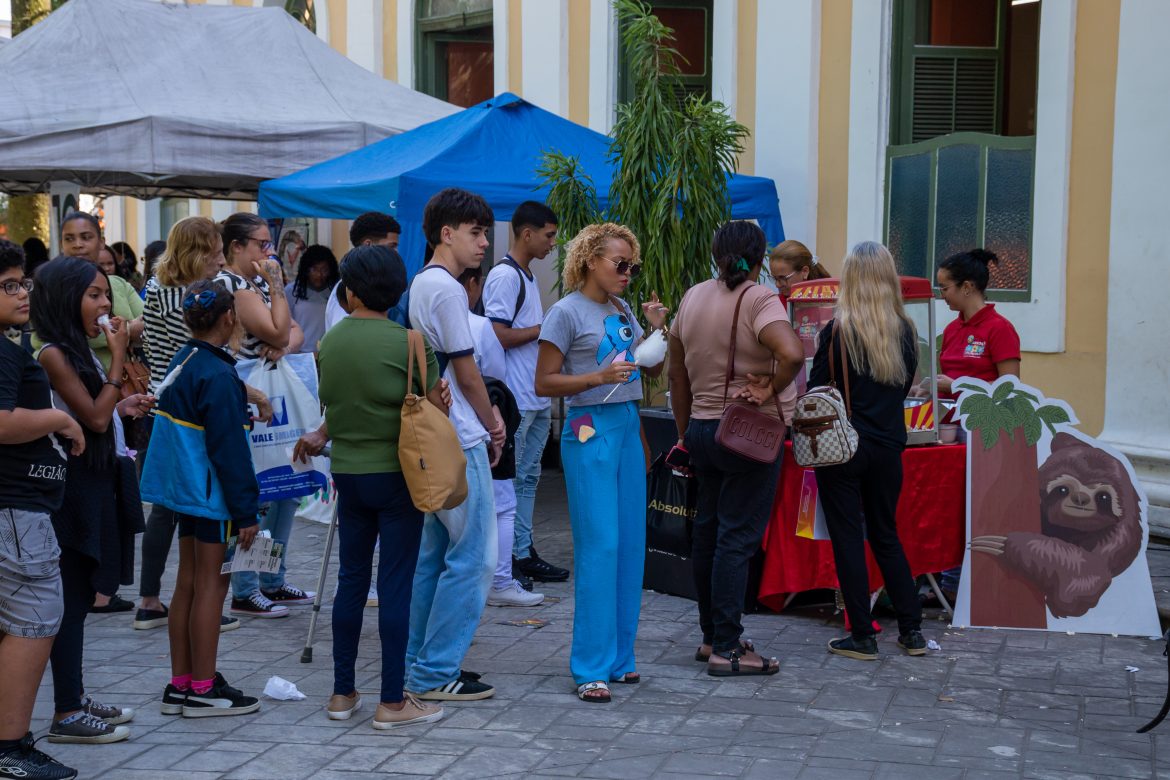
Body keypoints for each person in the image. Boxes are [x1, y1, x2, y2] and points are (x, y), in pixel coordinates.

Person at [295, 245, 450, 729]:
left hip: (348, 475)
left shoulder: (330, 343)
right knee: (395, 585)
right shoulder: (411, 343)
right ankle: (392, 701)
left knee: (351, 582)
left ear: (350, 290)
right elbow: (430, 416)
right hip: (399, 477)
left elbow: (334, 410)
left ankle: (342, 694)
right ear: (398, 291)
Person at [535, 223, 669, 703]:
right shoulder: (564, 313)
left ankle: (620, 659)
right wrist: (595, 375)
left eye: (633, 265)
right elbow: (543, 383)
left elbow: (643, 370)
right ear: (591, 260)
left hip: (627, 427)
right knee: (601, 546)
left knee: (632, 545)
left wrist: (655, 329)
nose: (629, 273)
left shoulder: (623, 308)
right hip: (588, 427)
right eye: (620, 264)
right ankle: (589, 666)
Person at [668, 221, 804, 676]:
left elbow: (676, 373)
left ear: (715, 252)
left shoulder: (693, 297)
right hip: (748, 433)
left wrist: (687, 433)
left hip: (704, 431)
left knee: (708, 533)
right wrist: (772, 389)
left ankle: (711, 637)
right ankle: (729, 647)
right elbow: (792, 354)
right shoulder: (759, 297)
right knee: (736, 538)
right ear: (761, 258)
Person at [32, 256, 154, 744]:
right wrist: (118, 359)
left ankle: (75, 697)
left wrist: (122, 404)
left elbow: (99, 414)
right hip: (72, 486)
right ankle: (65, 712)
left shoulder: (79, 347)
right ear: (66, 299)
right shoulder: (54, 354)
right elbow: (95, 420)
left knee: (81, 599)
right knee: (70, 598)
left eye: (106, 294)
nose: (106, 304)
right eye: (95, 295)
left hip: (96, 478)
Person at [139, 279, 262, 718]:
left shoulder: (184, 359)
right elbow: (229, 451)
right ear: (230, 318)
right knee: (213, 585)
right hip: (213, 497)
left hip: (184, 493)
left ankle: (181, 683)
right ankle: (204, 689)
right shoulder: (220, 374)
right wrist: (246, 510)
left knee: (188, 583)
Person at [405, 188, 505, 702]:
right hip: (458, 435)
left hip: (439, 434)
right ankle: (432, 669)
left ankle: (418, 663)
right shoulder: (443, 288)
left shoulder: (424, 282)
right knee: (475, 558)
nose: (484, 242)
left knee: (436, 555)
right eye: (476, 232)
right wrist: (493, 424)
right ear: (447, 233)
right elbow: (466, 373)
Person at [809, 241, 927, 661]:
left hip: (844, 446)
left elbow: (816, 390)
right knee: (885, 535)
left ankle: (862, 633)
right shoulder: (907, 331)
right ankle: (912, 631)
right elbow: (905, 384)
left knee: (847, 537)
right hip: (889, 446)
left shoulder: (838, 331)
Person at [135, 217, 252, 634]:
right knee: (182, 518)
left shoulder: (156, 288)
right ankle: (180, 611)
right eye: (214, 250)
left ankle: (151, 600)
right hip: (186, 409)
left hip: (164, 402)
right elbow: (199, 357)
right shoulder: (187, 300)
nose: (219, 258)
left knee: (169, 513)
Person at [0, 241, 83, 780]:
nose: (21, 293)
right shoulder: (3, 352)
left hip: (17, 510)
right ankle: (10, 747)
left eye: (21, 283)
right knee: (34, 624)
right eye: (8, 286)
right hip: (15, 512)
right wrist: (58, 421)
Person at [215, 213, 309, 619]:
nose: (268, 253)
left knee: (285, 489)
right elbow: (276, 331)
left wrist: (284, 344)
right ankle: (246, 586)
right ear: (237, 247)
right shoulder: (234, 286)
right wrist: (275, 288)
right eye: (261, 245)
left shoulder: (254, 284)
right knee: (257, 493)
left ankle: (272, 578)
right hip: (248, 397)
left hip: (272, 395)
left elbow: (294, 332)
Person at [916, 248, 1021, 603]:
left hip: (981, 433)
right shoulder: (953, 328)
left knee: (971, 507)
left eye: (944, 287)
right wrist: (926, 386)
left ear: (968, 286)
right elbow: (941, 375)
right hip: (945, 429)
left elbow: (1011, 389)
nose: (940, 294)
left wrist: (955, 386)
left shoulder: (999, 329)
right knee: (943, 504)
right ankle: (940, 577)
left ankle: (958, 583)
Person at [482, 201, 569, 587]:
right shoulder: (505, 276)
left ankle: (522, 551)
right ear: (527, 233)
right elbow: (495, 333)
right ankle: (506, 560)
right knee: (510, 481)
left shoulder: (527, 276)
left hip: (533, 394)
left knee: (529, 477)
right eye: (549, 235)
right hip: (516, 396)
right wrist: (542, 329)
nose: (553, 243)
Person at [460, 263, 544, 608]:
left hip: (436, 427)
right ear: (472, 285)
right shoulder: (479, 327)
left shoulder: (419, 324)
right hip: (479, 426)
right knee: (504, 503)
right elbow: (493, 376)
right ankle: (500, 580)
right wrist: (496, 424)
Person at [54, 212, 145, 375]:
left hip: (125, 383)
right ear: (61, 245)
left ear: (101, 243)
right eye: (69, 239)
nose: (77, 244)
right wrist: (129, 331)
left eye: (86, 237)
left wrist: (128, 332)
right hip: (75, 383)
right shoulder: (53, 286)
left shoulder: (118, 284)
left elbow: (149, 324)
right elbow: (65, 335)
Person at [324, 213, 404, 331]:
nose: (396, 252)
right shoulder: (347, 287)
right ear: (368, 245)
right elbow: (347, 338)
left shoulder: (376, 284)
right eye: (391, 246)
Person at [285, 244, 339, 354]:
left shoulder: (336, 293)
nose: (319, 275)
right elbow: (285, 325)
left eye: (324, 270)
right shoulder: (291, 292)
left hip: (328, 353)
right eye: (314, 269)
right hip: (298, 355)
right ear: (305, 269)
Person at [768, 239, 831, 306]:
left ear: (804, 271)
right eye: (775, 278)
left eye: (782, 278)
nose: (777, 285)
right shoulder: (777, 304)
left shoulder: (829, 299)